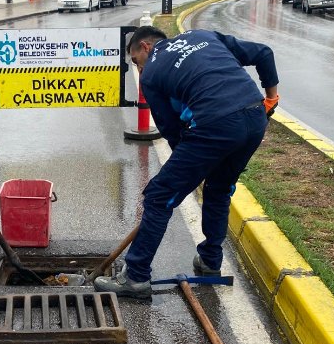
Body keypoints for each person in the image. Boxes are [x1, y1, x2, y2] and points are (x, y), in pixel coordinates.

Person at [94, 26, 279, 299]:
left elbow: (170, 130)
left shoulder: (153, 73)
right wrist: (271, 99)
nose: (140, 70)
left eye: (136, 62)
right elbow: (264, 53)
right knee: (219, 189)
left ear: (145, 47)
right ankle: (210, 262)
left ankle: (135, 277)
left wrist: (187, 171)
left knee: (159, 196)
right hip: (254, 118)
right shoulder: (203, 36)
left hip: (215, 122)